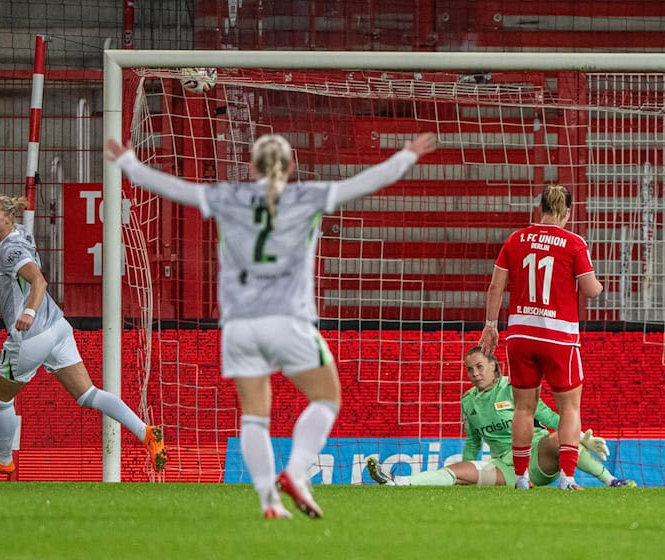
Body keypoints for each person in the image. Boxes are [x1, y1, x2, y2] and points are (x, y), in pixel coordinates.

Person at [104, 132, 437, 518]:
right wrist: (406, 156)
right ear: (290, 167)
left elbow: (176, 189)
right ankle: (295, 472)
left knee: (254, 415)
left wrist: (129, 163)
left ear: (251, 167)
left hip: (239, 325)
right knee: (326, 397)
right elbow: (364, 182)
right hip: (288, 319)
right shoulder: (307, 196)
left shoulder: (228, 196)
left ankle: (269, 501)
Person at [0, 167, 167, 479]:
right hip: (58, 328)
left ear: (6, 218)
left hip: (30, 335)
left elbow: (39, 281)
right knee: (87, 395)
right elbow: (1, 206)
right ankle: (146, 433)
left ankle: (4, 458)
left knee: (1, 399)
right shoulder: (20, 232)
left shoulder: (11, 250)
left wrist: (28, 314)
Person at [479, 184, 603, 491]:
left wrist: (490, 325)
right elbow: (590, 290)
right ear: (568, 212)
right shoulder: (574, 243)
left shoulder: (516, 239)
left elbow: (495, 287)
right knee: (569, 409)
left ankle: (522, 477)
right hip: (559, 337)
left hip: (521, 334)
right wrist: (599, 284)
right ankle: (567, 478)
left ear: (540, 209)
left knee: (524, 408)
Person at [365, 346, 634, 488]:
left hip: (536, 456)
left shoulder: (514, 387)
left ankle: (611, 481)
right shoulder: (468, 401)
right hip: (505, 467)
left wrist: (581, 437)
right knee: (457, 473)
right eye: (470, 369)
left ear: (494, 366)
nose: (475, 373)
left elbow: (551, 418)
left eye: (479, 367)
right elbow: (473, 441)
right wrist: (469, 464)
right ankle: (399, 482)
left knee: (555, 439)